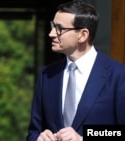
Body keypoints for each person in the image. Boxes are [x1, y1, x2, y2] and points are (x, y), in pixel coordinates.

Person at [27, 1, 125, 141]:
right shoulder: (47, 74)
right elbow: (33, 131)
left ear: (83, 35)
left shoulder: (119, 75)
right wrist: (38, 138)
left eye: (59, 28)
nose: (51, 33)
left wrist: (83, 138)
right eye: (53, 26)